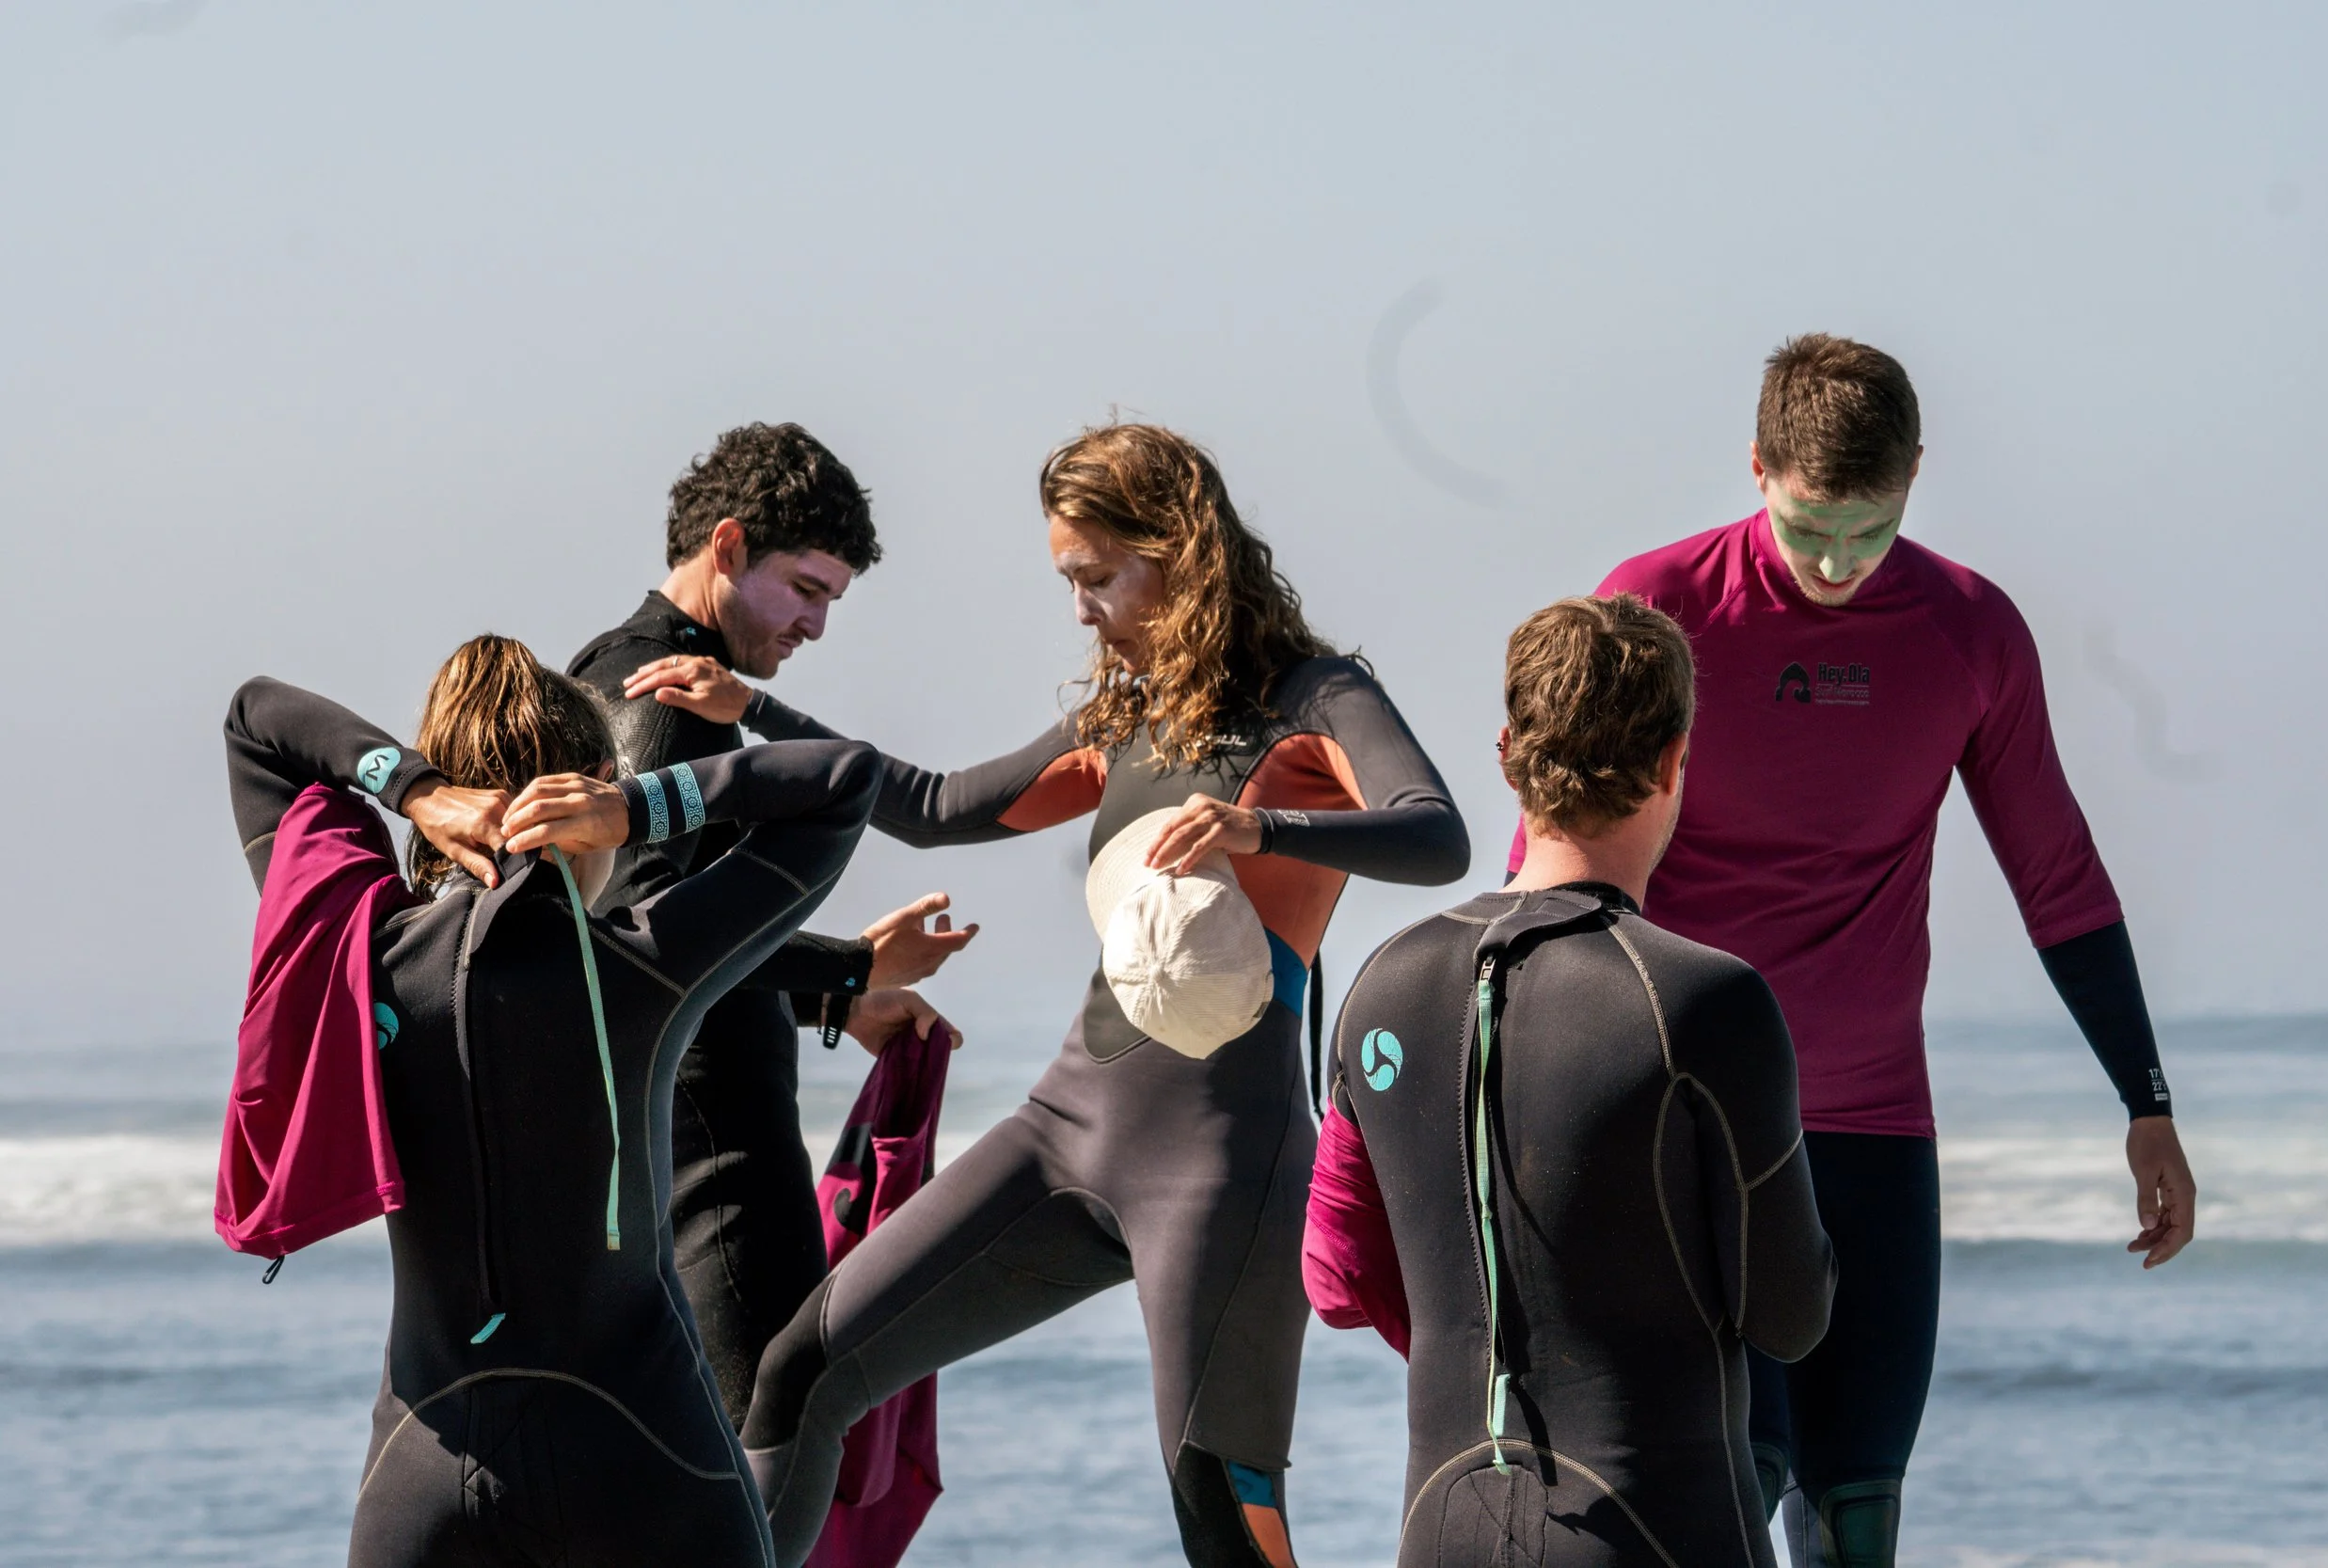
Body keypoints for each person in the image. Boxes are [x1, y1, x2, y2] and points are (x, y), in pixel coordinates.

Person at [631, 421, 1473, 1567]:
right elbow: (933, 802)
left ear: (1176, 550)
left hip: (1222, 1158)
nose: (1080, 609)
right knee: (803, 1367)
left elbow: (1439, 834)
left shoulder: (1313, 694)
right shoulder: (1122, 714)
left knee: (1218, 1507)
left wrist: (1260, 823)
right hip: (1066, 1124)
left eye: (1094, 576)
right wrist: (756, 711)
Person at [1507, 335, 2197, 1565]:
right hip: (1686, 1123)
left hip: (1874, 1126)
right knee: (1729, 1488)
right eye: (1810, 527)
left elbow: (2057, 869)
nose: (1835, 566)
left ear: (1918, 478)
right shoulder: (1659, 605)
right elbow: (1548, 859)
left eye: (1869, 531)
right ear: (1758, 467)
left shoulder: (1968, 631)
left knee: (1856, 1516)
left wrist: (2145, 1101)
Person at [223, 637, 883, 1567]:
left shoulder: (356, 957)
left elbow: (256, 719)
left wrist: (408, 785)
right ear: (596, 788)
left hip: (422, 1477)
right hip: (643, 1459)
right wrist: (640, 807)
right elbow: (843, 780)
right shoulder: (646, 961)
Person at [1306, 594, 1836, 1565]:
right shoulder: (1704, 1000)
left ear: (1507, 753)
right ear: (1676, 760)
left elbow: (1334, 1277)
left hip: (1443, 1524)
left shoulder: (1379, 983)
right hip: (1660, 1528)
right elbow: (1789, 1312)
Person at [568, 421, 977, 1425]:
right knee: (771, 1447)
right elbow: (643, 933)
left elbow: (685, 939)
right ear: (728, 545)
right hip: (712, 1162)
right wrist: (850, 964)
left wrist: (839, 995)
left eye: (831, 599)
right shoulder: (662, 700)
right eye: (806, 589)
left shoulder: (621, 668)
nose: (817, 626)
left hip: (687, 1133)